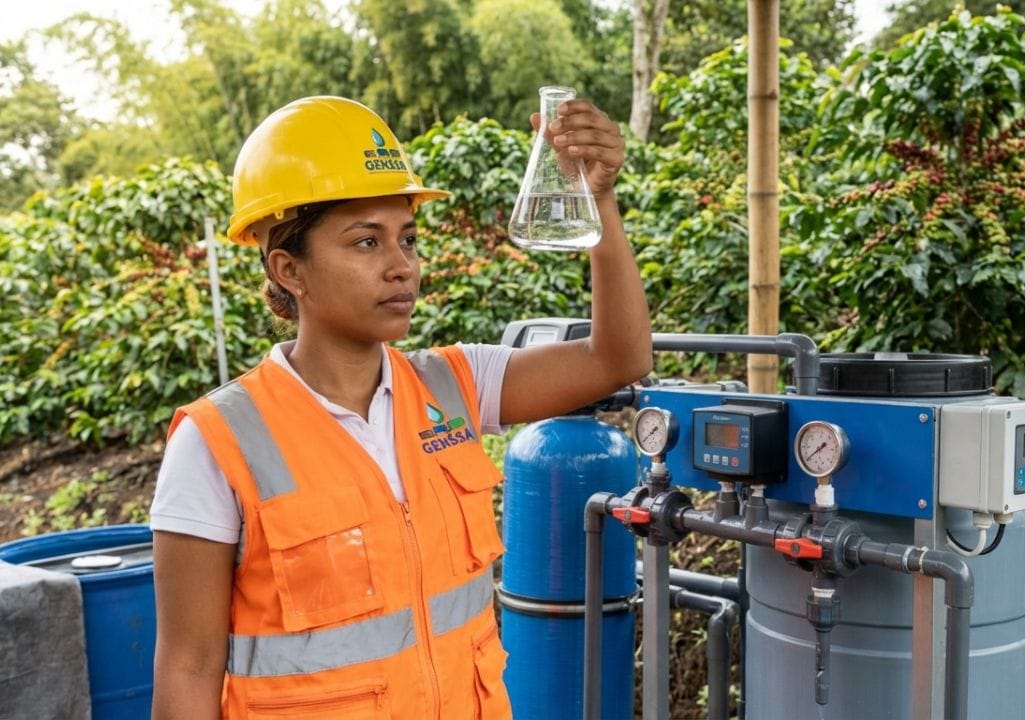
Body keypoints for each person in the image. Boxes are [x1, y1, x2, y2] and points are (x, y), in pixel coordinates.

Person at [149, 95, 652, 719]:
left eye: (407, 238)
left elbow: (617, 358)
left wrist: (596, 201)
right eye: (365, 242)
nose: (402, 266)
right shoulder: (218, 440)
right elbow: (187, 664)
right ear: (289, 270)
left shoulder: (455, 386)